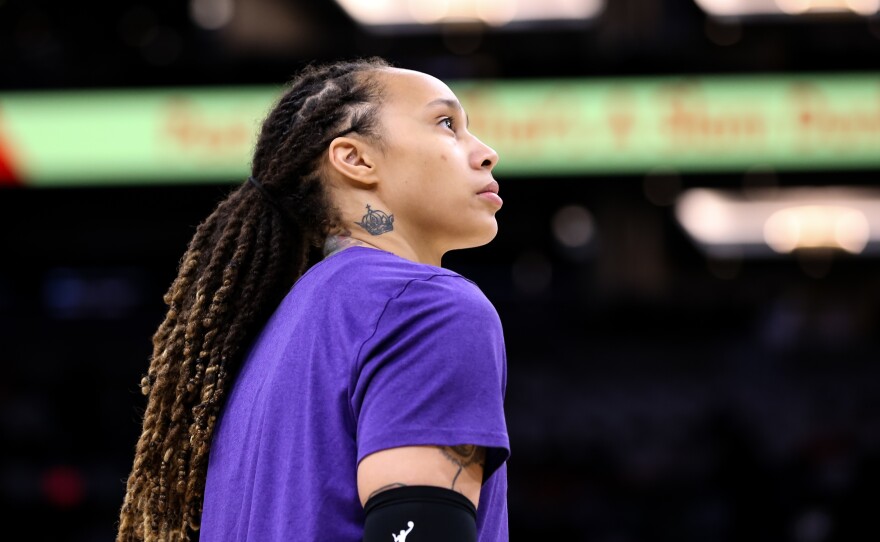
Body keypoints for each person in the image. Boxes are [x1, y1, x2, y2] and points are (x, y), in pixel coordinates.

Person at [116, 57, 509, 542]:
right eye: (447, 124)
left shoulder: (269, 338)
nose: (487, 152)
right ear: (356, 158)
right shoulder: (426, 307)